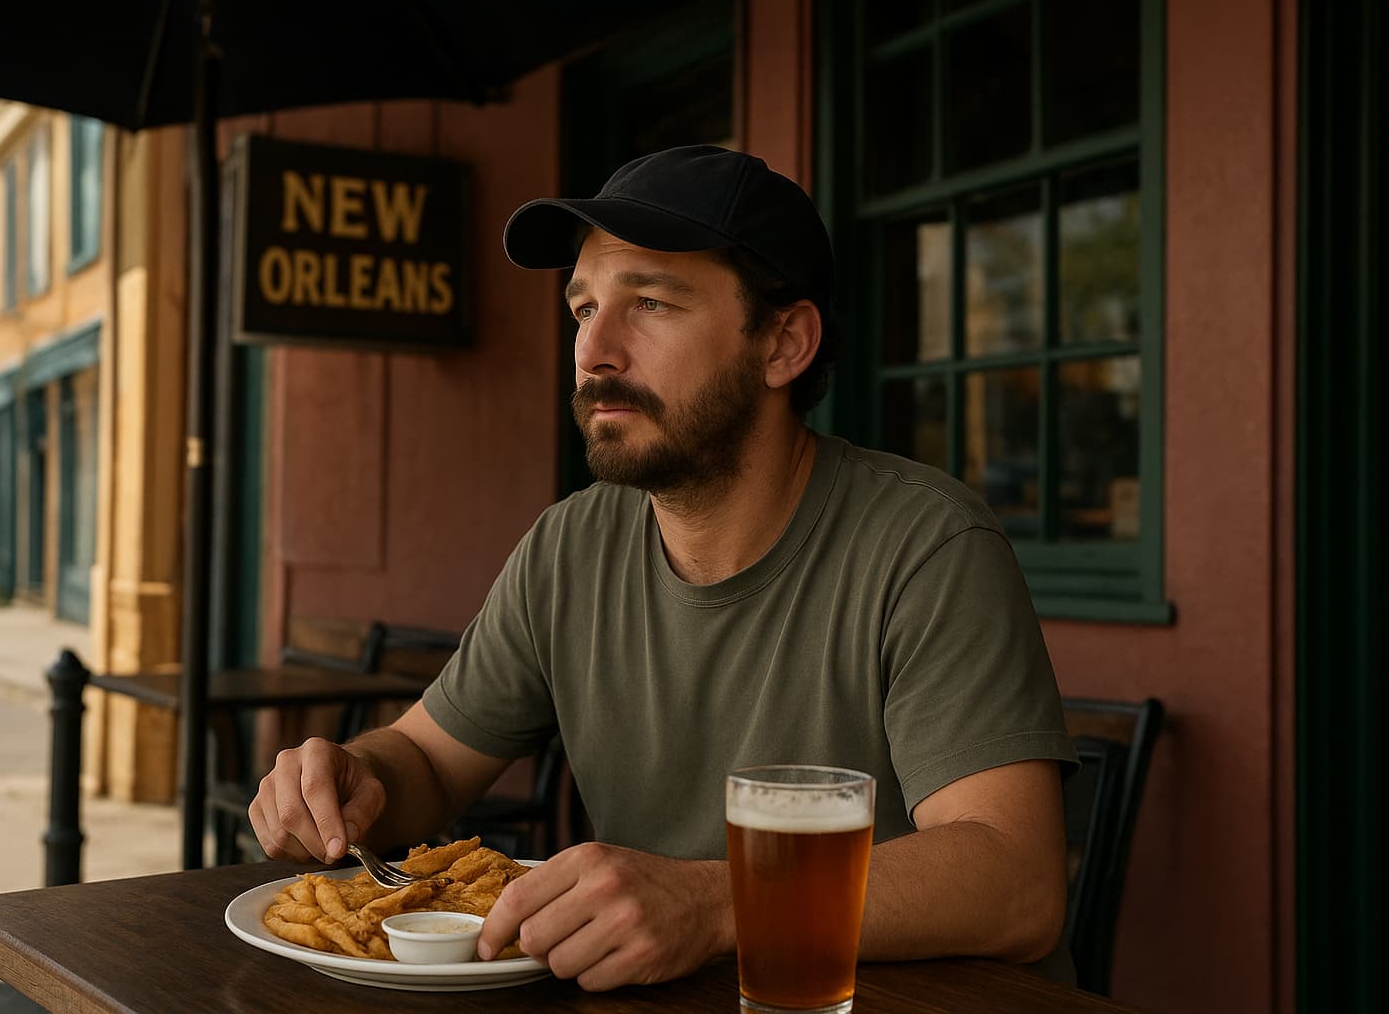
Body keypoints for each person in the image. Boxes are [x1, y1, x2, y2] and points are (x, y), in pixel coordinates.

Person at [249, 144, 1080, 989]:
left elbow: (1016, 880)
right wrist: (360, 778)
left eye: (649, 303)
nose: (594, 350)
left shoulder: (925, 544)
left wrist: (716, 904)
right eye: (583, 309)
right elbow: (427, 761)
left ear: (784, 343)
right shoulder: (570, 548)